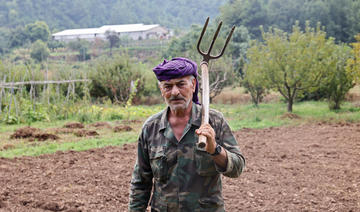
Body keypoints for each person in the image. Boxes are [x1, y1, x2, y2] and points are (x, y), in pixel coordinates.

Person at [128, 57, 245, 212]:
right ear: (161, 90)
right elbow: (141, 182)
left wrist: (215, 149)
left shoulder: (213, 121)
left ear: (193, 85)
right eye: (168, 86)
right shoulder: (151, 128)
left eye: (181, 84)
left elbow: (237, 168)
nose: (175, 92)